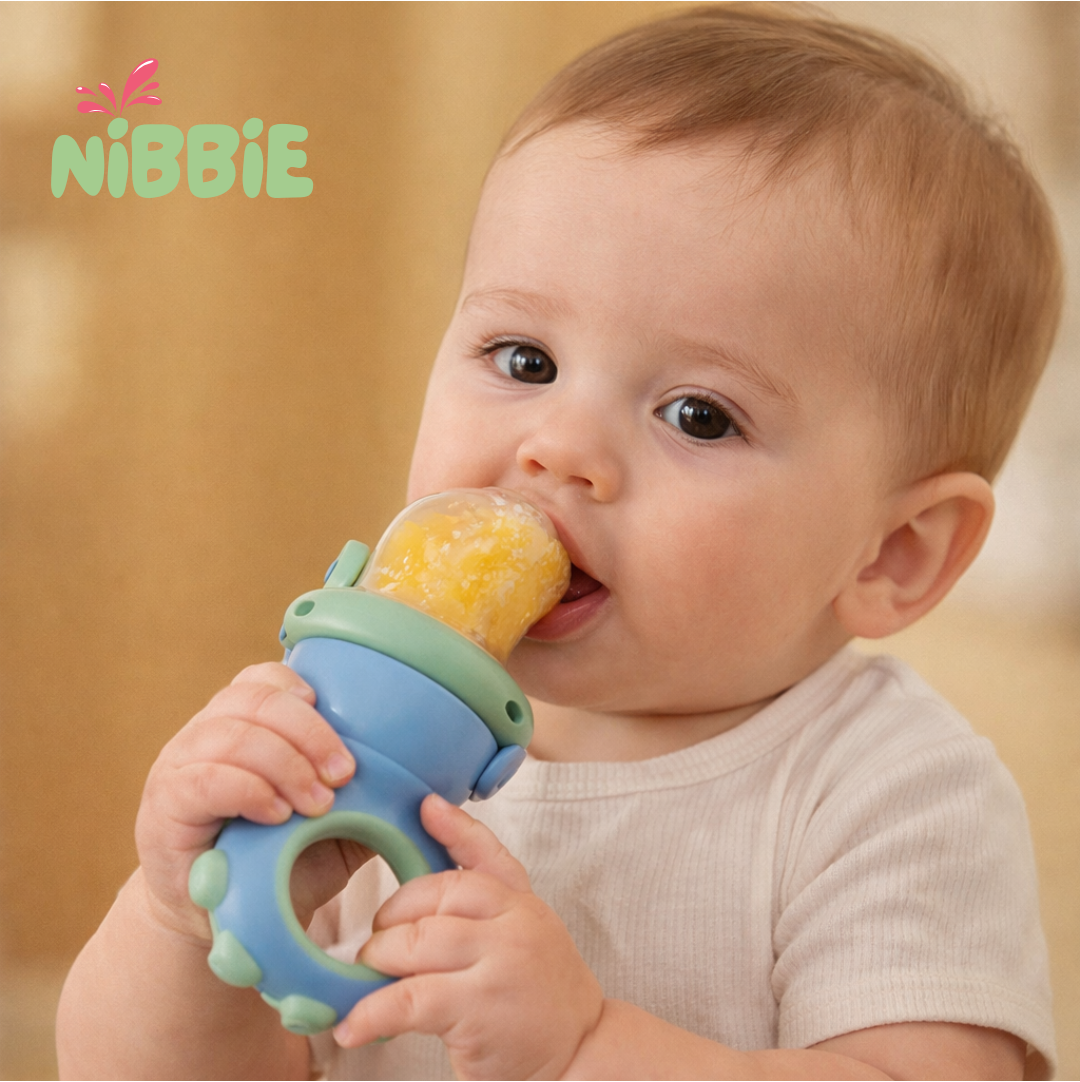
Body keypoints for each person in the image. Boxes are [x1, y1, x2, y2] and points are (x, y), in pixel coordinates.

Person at [56, 6, 1062, 1079]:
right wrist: (182, 920)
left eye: (698, 416)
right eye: (524, 359)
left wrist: (586, 1047)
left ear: (893, 553)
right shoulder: (355, 735)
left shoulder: (890, 791)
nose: (561, 447)